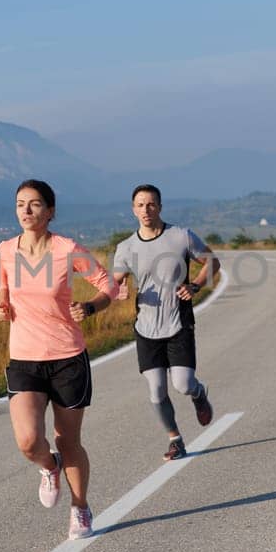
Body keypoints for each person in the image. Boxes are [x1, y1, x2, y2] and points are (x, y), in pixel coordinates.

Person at [0, 179, 119, 540]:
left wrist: (92, 306)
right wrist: (2, 308)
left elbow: (107, 284)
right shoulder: (4, 251)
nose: (26, 211)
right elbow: (2, 291)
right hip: (24, 360)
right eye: (20, 204)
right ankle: (50, 467)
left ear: (50, 211)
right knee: (29, 441)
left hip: (67, 358)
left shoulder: (67, 249)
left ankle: (80, 507)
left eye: (34, 204)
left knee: (68, 440)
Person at [110, 184, 218, 461]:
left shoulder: (181, 236)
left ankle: (198, 393)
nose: (146, 210)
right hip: (146, 328)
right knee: (156, 390)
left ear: (160, 206)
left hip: (178, 323)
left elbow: (212, 262)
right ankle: (176, 440)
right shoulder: (125, 248)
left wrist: (195, 286)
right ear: (133, 209)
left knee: (182, 384)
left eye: (151, 204)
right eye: (140, 205)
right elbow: (116, 283)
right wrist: (119, 290)